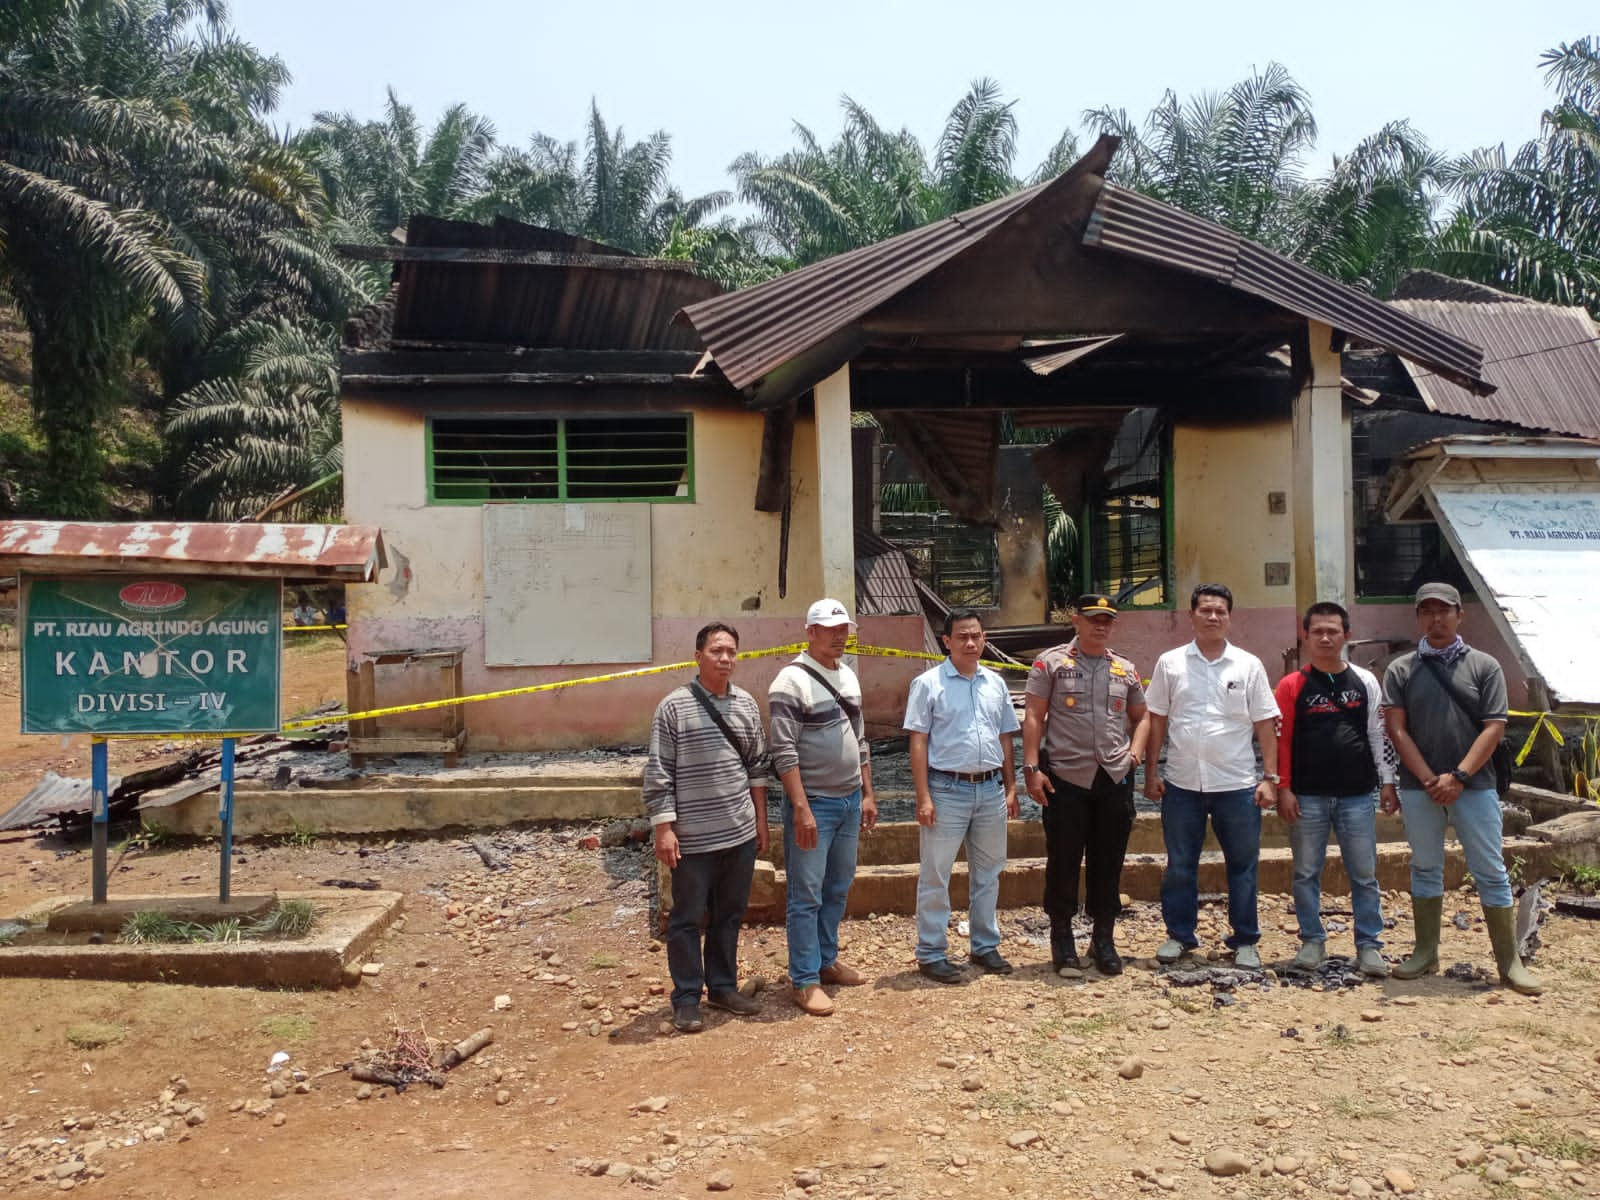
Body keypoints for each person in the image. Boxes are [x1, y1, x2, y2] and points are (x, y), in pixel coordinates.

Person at [1382, 582, 1540, 995]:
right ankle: (1425, 951)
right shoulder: (1401, 669)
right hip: (1420, 789)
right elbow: (1396, 728)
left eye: (1444, 611)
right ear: (1418, 617)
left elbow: (1495, 727)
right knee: (1425, 867)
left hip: (1476, 786)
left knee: (1490, 871)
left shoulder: (1485, 666)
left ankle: (1509, 962)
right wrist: (1431, 779)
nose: (1436, 619)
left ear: (1459, 615)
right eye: (1427, 612)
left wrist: (1459, 777)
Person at [1144, 583, 1280, 969]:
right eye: (1205, 610)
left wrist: (1270, 778)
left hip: (1236, 785)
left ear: (1230, 617)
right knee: (1180, 864)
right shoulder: (1170, 663)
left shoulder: (1248, 665)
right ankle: (1179, 936)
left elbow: (1265, 725)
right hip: (1183, 784)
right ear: (1191, 616)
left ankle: (1245, 940)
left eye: (1220, 611)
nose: (1213, 617)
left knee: (1242, 865)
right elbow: (1157, 720)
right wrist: (1152, 772)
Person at [643, 622, 771, 1032]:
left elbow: (757, 768)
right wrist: (665, 829)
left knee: (729, 914)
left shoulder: (747, 706)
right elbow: (659, 772)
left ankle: (722, 987)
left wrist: (761, 823)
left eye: (732, 651)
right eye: (717, 651)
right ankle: (685, 997)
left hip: (738, 833)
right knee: (686, 918)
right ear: (698, 656)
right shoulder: (674, 708)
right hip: (693, 839)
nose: (725, 659)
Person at [1022, 594, 1149, 976]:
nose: (1101, 625)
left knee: (1108, 861)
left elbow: (1142, 717)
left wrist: (1135, 755)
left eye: (1107, 620)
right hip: (1065, 778)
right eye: (1094, 618)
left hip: (1113, 777)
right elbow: (1033, 716)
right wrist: (1032, 768)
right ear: (1076, 620)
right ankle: (1062, 939)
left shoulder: (1124, 669)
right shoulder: (1052, 663)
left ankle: (1103, 938)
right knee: (1063, 860)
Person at [1273, 601, 1396, 978]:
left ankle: (1370, 945)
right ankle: (1312, 940)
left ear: (1347, 635)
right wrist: (1284, 788)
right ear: (1305, 637)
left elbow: (1378, 733)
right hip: (1306, 796)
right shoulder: (1291, 685)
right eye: (1317, 632)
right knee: (1306, 871)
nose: (1325, 638)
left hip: (1357, 795)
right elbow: (1281, 741)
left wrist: (1387, 780)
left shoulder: (1365, 681)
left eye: (1333, 631)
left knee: (1364, 872)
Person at [770, 598, 878, 1016]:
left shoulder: (848, 676)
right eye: (830, 629)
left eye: (844, 629)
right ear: (810, 632)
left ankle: (826, 960)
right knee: (805, 894)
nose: (839, 636)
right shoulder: (789, 682)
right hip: (814, 802)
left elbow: (861, 738)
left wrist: (868, 793)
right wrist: (800, 807)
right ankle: (804, 979)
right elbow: (783, 751)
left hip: (849, 800)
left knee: (837, 886)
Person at [904, 609, 1021, 984]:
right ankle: (931, 952)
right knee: (936, 873)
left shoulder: (995, 683)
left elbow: (1005, 735)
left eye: (977, 636)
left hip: (990, 790)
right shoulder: (928, 684)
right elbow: (918, 740)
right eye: (963, 637)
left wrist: (1011, 785)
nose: (971, 643)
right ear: (947, 641)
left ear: (984, 638)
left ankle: (984, 945)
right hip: (946, 789)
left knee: (989, 871)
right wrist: (923, 796)